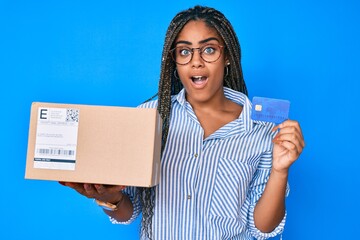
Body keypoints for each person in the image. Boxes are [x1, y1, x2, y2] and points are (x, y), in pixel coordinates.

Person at [60, 5, 305, 240]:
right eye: (185, 51)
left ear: (227, 56)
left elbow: (263, 227)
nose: (196, 61)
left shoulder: (262, 131)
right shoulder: (147, 118)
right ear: (174, 62)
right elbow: (128, 212)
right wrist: (111, 197)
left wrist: (280, 170)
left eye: (209, 50)